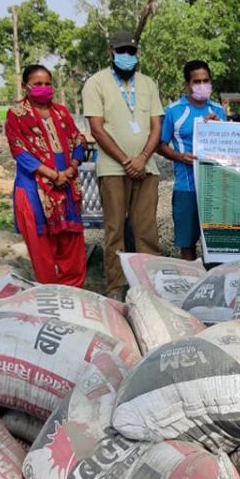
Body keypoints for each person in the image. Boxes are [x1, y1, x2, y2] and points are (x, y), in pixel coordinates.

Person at [82, 29, 164, 299]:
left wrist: (141, 159)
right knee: (115, 230)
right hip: (113, 169)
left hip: (147, 168)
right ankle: (115, 288)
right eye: (121, 52)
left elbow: (156, 126)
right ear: (111, 53)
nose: (127, 56)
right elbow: (97, 128)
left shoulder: (148, 84)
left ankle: (149, 288)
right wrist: (126, 160)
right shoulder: (96, 83)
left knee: (146, 231)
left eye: (131, 52)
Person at [6, 64, 86, 286]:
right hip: (34, 191)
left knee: (72, 245)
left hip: (67, 188)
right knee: (43, 251)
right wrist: (52, 174)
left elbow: (78, 139)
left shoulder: (61, 112)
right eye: (38, 84)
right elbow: (19, 150)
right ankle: (51, 298)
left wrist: (71, 167)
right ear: (25, 86)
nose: (44, 88)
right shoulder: (16, 115)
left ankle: (75, 295)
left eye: (48, 84)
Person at [159, 60, 227, 260]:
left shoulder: (218, 111)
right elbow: (160, 145)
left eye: (206, 80)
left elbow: (229, 147)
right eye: (197, 82)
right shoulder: (173, 111)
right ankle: (189, 281)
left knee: (214, 242)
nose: (202, 85)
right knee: (186, 242)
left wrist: (220, 127)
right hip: (186, 186)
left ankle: (214, 282)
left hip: (215, 187)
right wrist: (180, 157)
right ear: (187, 84)